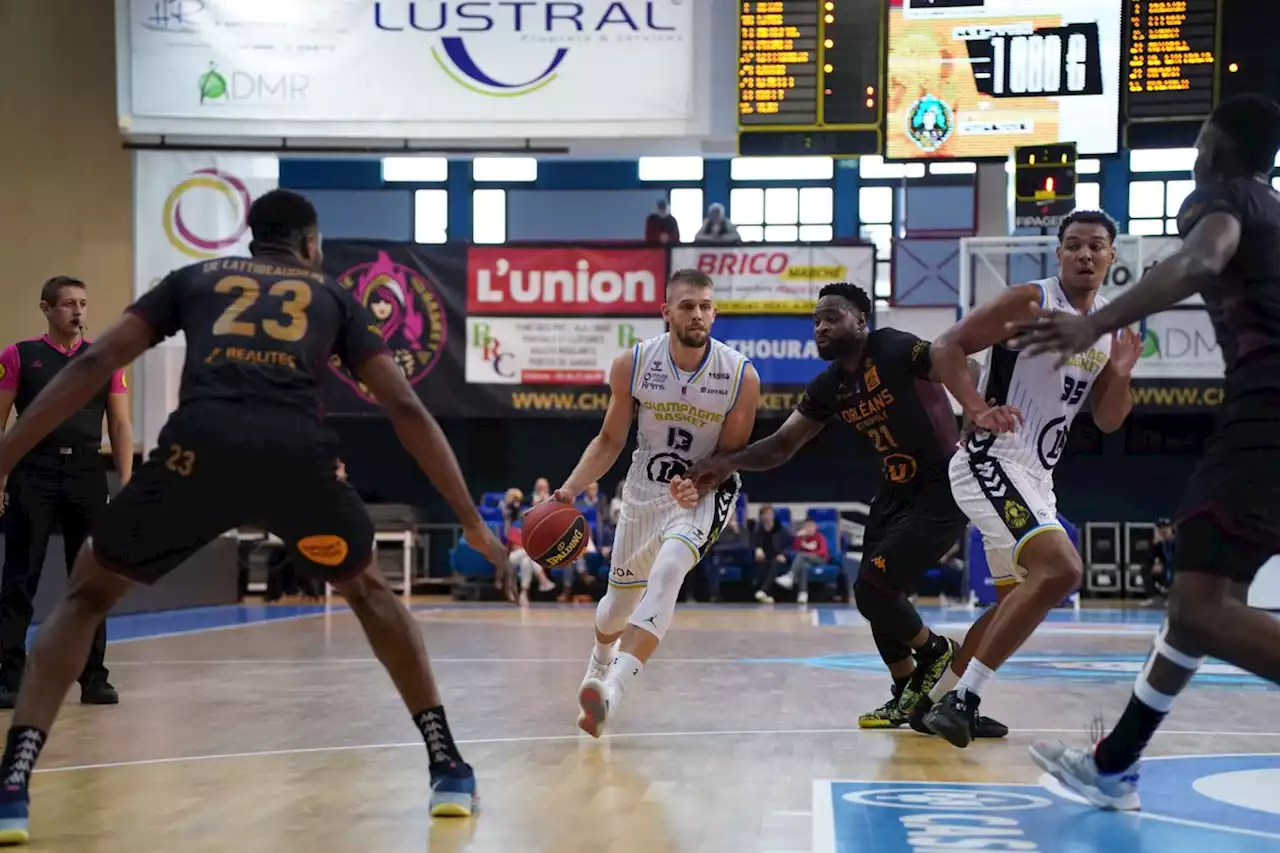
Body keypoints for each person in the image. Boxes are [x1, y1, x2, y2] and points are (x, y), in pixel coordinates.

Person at [0, 189, 511, 843]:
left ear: (253, 239)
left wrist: (4, 458)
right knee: (367, 590)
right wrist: (469, 517)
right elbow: (405, 406)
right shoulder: (332, 296)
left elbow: (98, 360)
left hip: (198, 452)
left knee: (86, 592)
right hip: (295, 458)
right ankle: (447, 764)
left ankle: (14, 781)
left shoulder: (193, 279)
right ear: (309, 244)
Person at [1010, 94, 1280, 810]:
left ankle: (1112, 765)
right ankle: (1112, 763)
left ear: (1218, 148)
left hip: (1267, 412)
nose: (1194, 156)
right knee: (1198, 601)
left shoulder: (1222, 197)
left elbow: (1203, 257)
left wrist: (1094, 321)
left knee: (1199, 610)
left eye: (1197, 142)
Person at [682, 282, 1006, 736]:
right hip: (894, 491)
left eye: (832, 317)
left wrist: (975, 407)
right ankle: (906, 694)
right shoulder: (830, 385)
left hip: (941, 487)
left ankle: (936, 653)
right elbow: (783, 445)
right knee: (870, 592)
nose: (821, 327)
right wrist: (727, 461)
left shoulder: (892, 347)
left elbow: (961, 358)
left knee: (874, 588)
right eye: (816, 321)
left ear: (861, 321)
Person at [921, 209, 1143, 747]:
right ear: (1059, 253)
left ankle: (934, 704)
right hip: (990, 461)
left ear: (1113, 257)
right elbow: (944, 347)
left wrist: (1120, 372)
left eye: (1095, 246)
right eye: (1073, 245)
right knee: (1063, 568)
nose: (1084, 254)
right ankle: (964, 699)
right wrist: (974, 406)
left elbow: (1110, 420)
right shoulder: (1032, 302)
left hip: (1037, 477)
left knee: (1016, 600)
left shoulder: (1109, 325)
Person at [552, 268, 760, 738]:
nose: (698, 314)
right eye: (687, 306)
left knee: (669, 571)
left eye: (706, 306)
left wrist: (702, 482)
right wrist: (568, 489)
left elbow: (731, 455)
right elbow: (609, 440)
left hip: (701, 494)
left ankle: (613, 691)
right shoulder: (635, 363)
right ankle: (599, 663)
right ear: (666, 312)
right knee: (613, 610)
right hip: (644, 490)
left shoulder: (740, 376)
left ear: (715, 312)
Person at [0, 277, 133, 708]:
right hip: (32, 472)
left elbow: (120, 423)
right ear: (46, 309)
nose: (78, 311)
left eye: (83, 303)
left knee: (93, 580)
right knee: (21, 576)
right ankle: (9, 678)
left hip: (86, 473)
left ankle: (94, 677)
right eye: (68, 304)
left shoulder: (105, 358)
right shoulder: (19, 356)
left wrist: (127, 482)